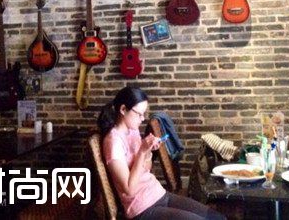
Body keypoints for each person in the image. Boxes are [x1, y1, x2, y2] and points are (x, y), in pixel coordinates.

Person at [97, 86, 226, 220]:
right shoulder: (113, 142)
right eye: (139, 114)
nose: (142, 119)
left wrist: (148, 151)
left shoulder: (132, 130)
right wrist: (142, 152)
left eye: (144, 114)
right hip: (141, 208)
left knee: (217, 217)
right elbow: (129, 190)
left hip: (158, 194)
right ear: (123, 109)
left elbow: (146, 168)